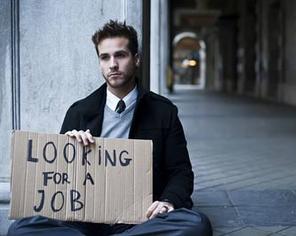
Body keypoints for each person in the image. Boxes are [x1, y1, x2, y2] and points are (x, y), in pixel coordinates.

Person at [8, 20, 212, 236]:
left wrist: (168, 201)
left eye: (120, 55)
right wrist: (69, 147)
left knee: (197, 224)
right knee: (21, 229)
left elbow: (180, 172)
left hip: (140, 219)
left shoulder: (163, 112)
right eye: (105, 57)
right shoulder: (79, 111)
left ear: (136, 59)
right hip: (84, 221)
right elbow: (60, 182)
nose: (112, 64)